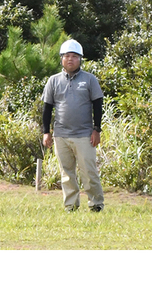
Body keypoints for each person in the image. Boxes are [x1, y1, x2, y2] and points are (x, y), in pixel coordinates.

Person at [42, 38, 105, 212]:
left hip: (84, 135)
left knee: (89, 172)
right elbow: (47, 108)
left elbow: (98, 106)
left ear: (80, 59)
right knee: (66, 174)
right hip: (61, 135)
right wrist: (46, 132)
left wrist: (97, 130)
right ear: (61, 59)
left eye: (75, 56)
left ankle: (96, 204)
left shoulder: (90, 79)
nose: (70, 59)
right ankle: (71, 205)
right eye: (67, 56)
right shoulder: (53, 81)